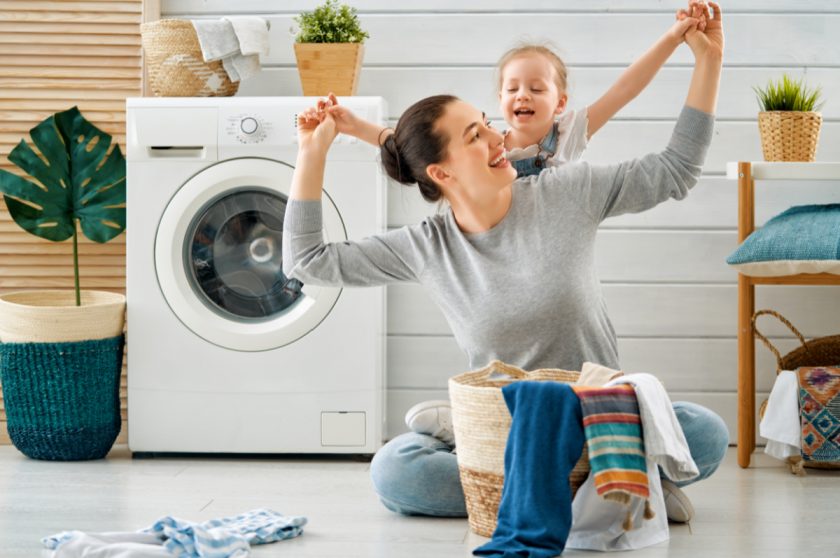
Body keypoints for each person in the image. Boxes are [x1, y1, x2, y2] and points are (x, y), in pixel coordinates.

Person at [282, 1, 726, 524]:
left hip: (594, 417)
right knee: (396, 470)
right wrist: (311, 154)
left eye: (486, 125)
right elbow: (308, 261)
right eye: (476, 136)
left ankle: (546, 487)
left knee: (704, 431)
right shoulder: (427, 245)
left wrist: (708, 62)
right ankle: (609, 484)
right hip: (506, 428)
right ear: (441, 173)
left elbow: (676, 171)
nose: (500, 140)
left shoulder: (568, 192)